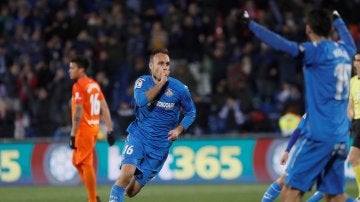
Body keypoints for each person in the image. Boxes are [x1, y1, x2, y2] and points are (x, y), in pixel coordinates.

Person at [241, 9, 356, 201]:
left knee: (290, 192)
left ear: (308, 29)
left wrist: (252, 25)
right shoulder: (346, 51)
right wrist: (338, 19)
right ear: (330, 29)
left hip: (319, 135)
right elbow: (350, 41)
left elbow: (281, 44)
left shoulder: (315, 51)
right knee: (335, 197)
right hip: (341, 136)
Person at [109, 48, 196, 202]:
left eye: (167, 64)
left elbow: (191, 112)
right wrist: (162, 83)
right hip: (139, 136)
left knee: (131, 192)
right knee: (125, 175)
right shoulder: (142, 82)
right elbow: (142, 101)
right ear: (151, 65)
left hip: (160, 147)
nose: (164, 67)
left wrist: (179, 129)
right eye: (160, 63)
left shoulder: (180, 89)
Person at [262, 113, 354, 202]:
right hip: (322, 149)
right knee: (332, 192)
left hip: (320, 150)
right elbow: (298, 130)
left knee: (328, 189)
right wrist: (287, 151)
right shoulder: (316, 109)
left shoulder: (335, 110)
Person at [68, 56, 116, 202]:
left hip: (83, 130)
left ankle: (93, 199)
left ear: (81, 70)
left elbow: (78, 111)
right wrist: (109, 129)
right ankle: (93, 196)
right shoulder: (94, 85)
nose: (69, 71)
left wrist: (73, 133)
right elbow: (104, 107)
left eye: (72, 68)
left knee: (85, 163)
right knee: (76, 161)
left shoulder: (79, 86)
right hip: (93, 127)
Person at [348, 51, 360, 201]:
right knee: (355, 159)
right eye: (356, 60)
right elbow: (350, 104)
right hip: (356, 124)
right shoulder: (352, 81)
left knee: (353, 158)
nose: (358, 63)